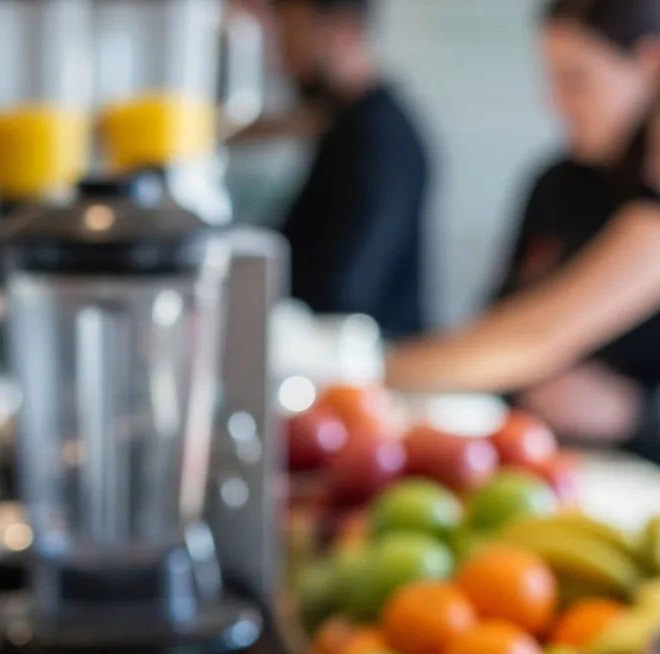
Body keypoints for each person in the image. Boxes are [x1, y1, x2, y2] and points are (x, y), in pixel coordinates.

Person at [387, 0, 660, 459]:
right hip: (536, 453)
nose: (554, 102)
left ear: (651, 65)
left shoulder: (650, 216)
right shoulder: (559, 184)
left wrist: (640, 414)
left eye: (576, 79)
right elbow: (497, 325)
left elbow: (529, 342)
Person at [266, 0, 431, 338]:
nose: (283, 58)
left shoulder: (381, 140)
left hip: (369, 366)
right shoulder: (347, 126)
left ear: (344, 29)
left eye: (292, 35)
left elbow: (343, 293)